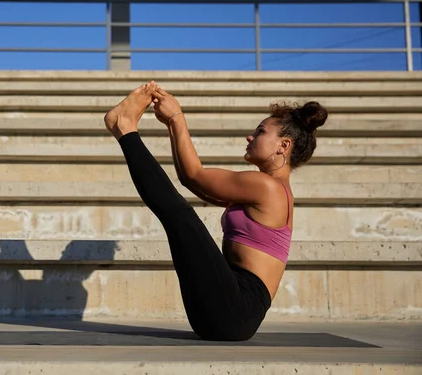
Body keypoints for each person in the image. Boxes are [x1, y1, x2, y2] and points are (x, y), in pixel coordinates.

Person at [104, 81, 328, 341]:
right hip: (229, 309)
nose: (250, 137)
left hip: (235, 309)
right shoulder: (271, 190)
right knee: (181, 216)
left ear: (283, 146)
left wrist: (177, 118)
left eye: (261, 132)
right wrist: (170, 124)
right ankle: (124, 128)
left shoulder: (267, 187)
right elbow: (191, 181)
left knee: (181, 217)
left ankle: (124, 127)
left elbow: (195, 175)